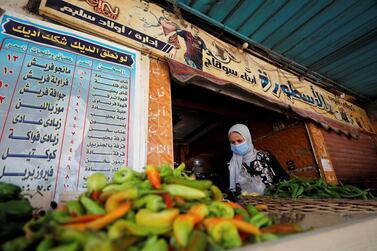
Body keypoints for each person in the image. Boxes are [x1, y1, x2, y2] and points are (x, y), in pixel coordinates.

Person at [227, 124, 289, 199]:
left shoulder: (266, 156)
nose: (236, 145)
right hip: (249, 207)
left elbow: (284, 178)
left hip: (275, 203)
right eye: (233, 142)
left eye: (239, 141)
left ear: (248, 139)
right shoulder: (230, 166)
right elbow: (230, 192)